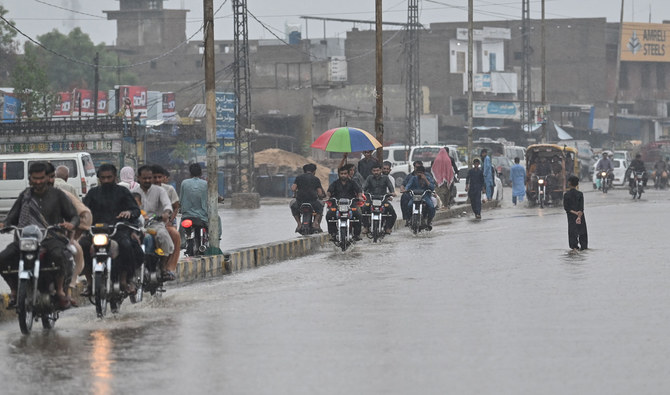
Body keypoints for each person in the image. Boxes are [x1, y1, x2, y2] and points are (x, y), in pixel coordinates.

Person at [0, 162, 79, 309]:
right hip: (26, 239)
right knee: (3, 258)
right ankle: (14, 290)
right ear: (30, 179)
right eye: (35, 178)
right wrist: (5, 225)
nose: (38, 182)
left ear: (47, 178)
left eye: (41, 178)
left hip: (51, 237)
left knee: (60, 255)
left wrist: (71, 224)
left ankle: (61, 290)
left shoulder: (58, 195)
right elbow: (12, 217)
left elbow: (74, 215)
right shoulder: (25, 195)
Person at [81, 164, 142, 295]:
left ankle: (125, 280)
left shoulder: (123, 192)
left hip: (118, 230)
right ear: (99, 178)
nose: (106, 180)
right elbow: (83, 210)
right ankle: (89, 281)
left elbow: (136, 210)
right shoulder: (93, 193)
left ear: (115, 177)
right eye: (103, 178)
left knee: (126, 245)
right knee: (82, 245)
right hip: (96, 231)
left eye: (109, 177)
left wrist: (129, 212)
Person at [49, 163, 91, 306]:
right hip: (37, 238)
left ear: (52, 178)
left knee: (74, 251)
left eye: (47, 177)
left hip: (60, 237)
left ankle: (68, 290)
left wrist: (75, 230)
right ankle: (19, 292)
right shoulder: (27, 195)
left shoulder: (65, 196)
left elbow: (82, 214)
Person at [131, 165, 175, 281]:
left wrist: (166, 213)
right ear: (138, 178)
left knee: (164, 237)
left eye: (149, 178)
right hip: (136, 225)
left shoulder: (160, 191)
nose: (147, 181)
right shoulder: (133, 192)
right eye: (144, 178)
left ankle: (163, 267)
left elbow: (167, 205)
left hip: (155, 224)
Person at [152, 165, 181, 280]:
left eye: (160, 177)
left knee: (174, 234)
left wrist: (169, 220)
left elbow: (174, 207)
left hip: (163, 223)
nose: (157, 180)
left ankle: (169, 267)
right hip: (145, 225)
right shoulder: (140, 190)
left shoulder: (168, 190)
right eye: (155, 177)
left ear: (164, 178)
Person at [326, 166, 363, 241]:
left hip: (350, 204)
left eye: (345, 173)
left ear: (348, 174)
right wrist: (327, 197)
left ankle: (356, 234)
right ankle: (333, 233)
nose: (343, 175)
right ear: (339, 174)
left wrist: (359, 197)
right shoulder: (335, 183)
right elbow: (329, 191)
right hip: (337, 204)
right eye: (341, 173)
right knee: (329, 215)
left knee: (358, 215)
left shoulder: (353, 183)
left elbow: (359, 191)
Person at [290, 163, 325, 233]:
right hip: (313, 202)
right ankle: (315, 222)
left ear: (304, 171)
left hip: (300, 202)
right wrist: (321, 197)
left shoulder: (298, 178)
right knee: (321, 205)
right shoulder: (316, 179)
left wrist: (296, 193)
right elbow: (320, 193)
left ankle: (299, 224)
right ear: (314, 171)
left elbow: (293, 188)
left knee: (292, 205)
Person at [362, 163, 397, 234]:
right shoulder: (369, 178)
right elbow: (364, 187)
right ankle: (366, 227)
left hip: (383, 200)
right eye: (374, 171)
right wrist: (362, 192)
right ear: (372, 171)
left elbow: (390, 187)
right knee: (364, 209)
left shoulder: (385, 178)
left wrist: (392, 193)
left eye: (377, 170)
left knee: (392, 212)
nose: (376, 172)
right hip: (371, 199)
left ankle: (387, 227)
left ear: (381, 170)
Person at [563, 175, 588, 251]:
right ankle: (583, 248)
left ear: (569, 183)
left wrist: (574, 213)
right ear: (577, 184)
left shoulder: (566, 195)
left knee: (572, 233)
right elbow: (581, 208)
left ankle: (574, 248)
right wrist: (579, 216)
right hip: (580, 217)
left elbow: (566, 208)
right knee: (582, 233)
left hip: (571, 217)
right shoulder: (580, 194)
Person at [400, 161, 424, 225]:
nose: (418, 169)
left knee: (431, 204)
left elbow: (431, 185)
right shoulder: (410, 176)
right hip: (412, 195)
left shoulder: (426, 175)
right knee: (404, 197)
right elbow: (404, 184)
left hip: (423, 194)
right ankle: (407, 218)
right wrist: (403, 189)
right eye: (417, 167)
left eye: (420, 167)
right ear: (414, 167)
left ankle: (428, 219)